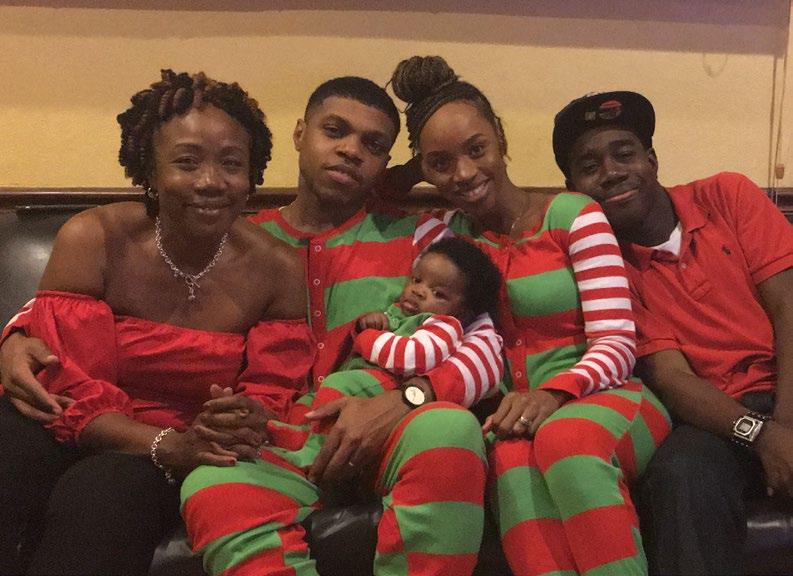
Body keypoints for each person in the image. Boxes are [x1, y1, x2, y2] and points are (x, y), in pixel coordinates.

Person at [0, 69, 313, 575]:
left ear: (252, 175)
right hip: (73, 420)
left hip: (173, 451)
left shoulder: (277, 268)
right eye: (187, 162)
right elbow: (67, 382)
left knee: (101, 495)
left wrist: (243, 417)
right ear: (148, 169)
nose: (211, 181)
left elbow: (272, 390)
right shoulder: (95, 238)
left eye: (231, 163)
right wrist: (164, 443)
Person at [389, 55, 672, 576]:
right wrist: (419, 159)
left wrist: (554, 394)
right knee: (510, 461)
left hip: (607, 396)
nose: (464, 173)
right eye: (441, 163)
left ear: (500, 138)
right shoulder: (441, 237)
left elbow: (617, 342)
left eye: (476, 149)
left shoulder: (573, 215)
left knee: (566, 440)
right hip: (513, 418)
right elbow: (369, 196)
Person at [552, 90, 793, 575]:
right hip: (716, 420)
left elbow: (788, 310)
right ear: (574, 189)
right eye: (590, 167)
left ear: (652, 160)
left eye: (624, 154)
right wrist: (763, 436)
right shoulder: (604, 264)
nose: (612, 172)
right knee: (679, 474)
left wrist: (786, 428)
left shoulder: (727, 195)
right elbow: (672, 379)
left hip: (786, 391)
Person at [309, 236, 504, 450]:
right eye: (417, 280)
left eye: (438, 293)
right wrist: (372, 321)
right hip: (369, 381)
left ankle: (316, 449)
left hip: (390, 387)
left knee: (338, 385)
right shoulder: (400, 312)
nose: (418, 291)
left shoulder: (444, 327)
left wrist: (367, 337)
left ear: (464, 313)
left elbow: (412, 357)